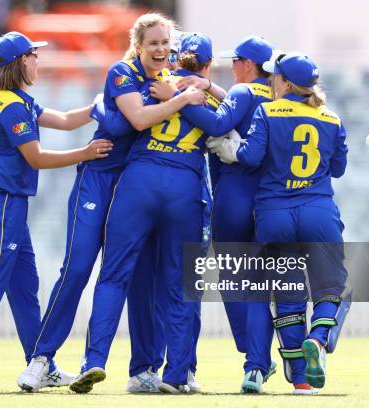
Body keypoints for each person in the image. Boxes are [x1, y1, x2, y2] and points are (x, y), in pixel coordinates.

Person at [16, 13, 205, 393]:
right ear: (138, 46)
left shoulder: (167, 78)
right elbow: (134, 120)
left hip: (136, 184)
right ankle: (41, 359)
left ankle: (144, 369)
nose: (162, 50)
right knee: (79, 267)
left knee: (142, 279)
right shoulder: (122, 72)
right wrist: (184, 98)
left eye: (166, 44)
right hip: (101, 178)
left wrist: (199, 88)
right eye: (153, 43)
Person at [0, 31, 113, 394]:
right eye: (33, 55)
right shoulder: (12, 105)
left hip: (6, 203)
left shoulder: (15, 99)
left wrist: (98, 106)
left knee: (23, 287)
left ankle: (39, 360)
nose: (38, 61)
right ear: (20, 62)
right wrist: (87, 152)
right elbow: (36, 157)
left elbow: (64, 119)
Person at [69, 31, 217, 395]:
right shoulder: (205, 101)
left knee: (114, 276)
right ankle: (179, 374)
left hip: (139, 182)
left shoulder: (151, 85)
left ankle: (95, 361)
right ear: (208, 65)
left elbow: (125, 117)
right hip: (184, 187)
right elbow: (230, 127)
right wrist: (205, 92)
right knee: (180, 284)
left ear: (173, 56)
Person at [208, 52, 349, 394]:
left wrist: (231, 151)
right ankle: (318, 337)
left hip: (275, 215)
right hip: (317, 211)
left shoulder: (268, 111)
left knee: (287, 296)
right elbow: (338, 168)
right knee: (332, 286)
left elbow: (252, 156)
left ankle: (300, 379)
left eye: (276, 78)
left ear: (285, 82)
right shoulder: (331, 117)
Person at [152, 35, 278, 393]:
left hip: (236, 193)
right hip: (269, 197)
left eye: (236, 61)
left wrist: (176, 101)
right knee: (260, 283)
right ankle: (260, 360)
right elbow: (234, 108)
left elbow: (219, 125)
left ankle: (255, 356)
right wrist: (207, 86)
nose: (231, 66)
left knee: (233, 279)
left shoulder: (240, 91)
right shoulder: (277, 97)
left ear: (247, 65)